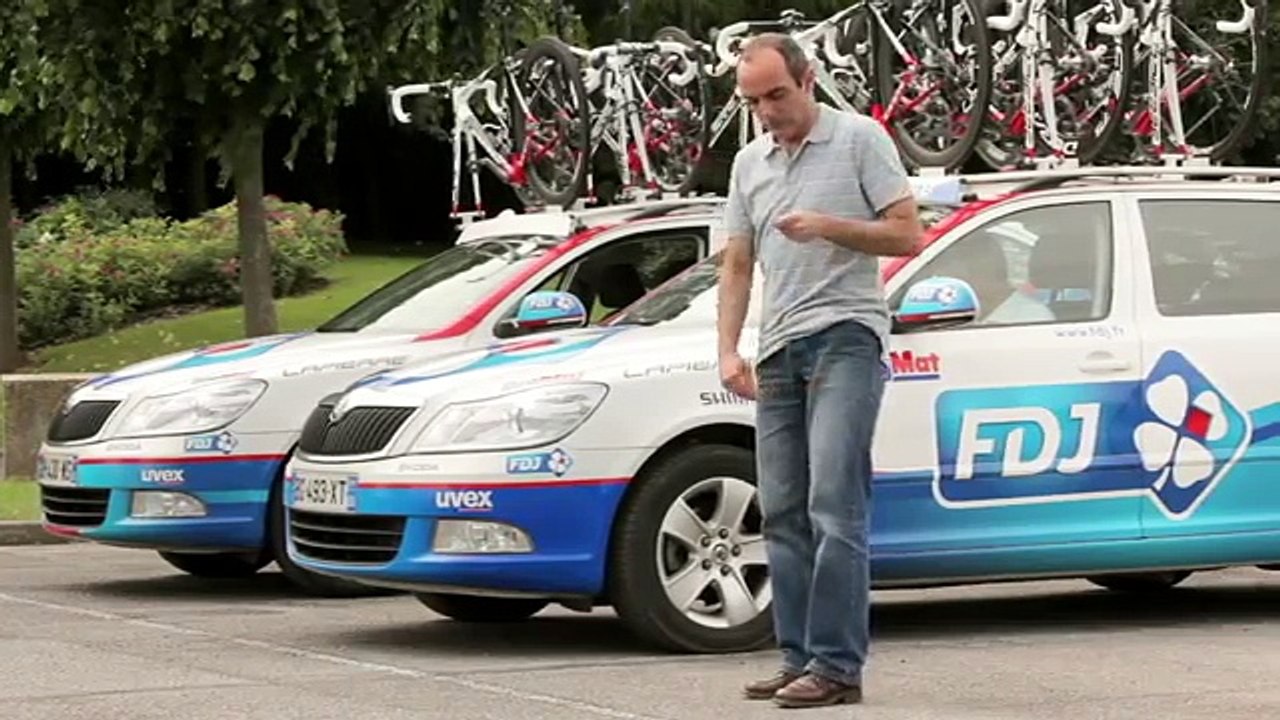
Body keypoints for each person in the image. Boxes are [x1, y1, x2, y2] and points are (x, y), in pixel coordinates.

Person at [715, 32, 923, 709]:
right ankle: (797, 656)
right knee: (780, 511)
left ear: (807, 81)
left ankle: (837, 666)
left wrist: (832, 225)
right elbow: (738, 262)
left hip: (846, 338)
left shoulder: (860, 139)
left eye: (776, 95)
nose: (767, 111)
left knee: (835, 504)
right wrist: (728, 349)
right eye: (753, 101)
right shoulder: (750, 163)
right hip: (778, 348)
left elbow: (905, 232)